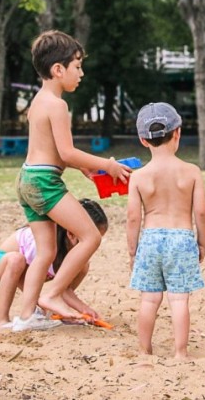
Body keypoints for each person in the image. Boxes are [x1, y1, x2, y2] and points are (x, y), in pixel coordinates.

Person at [13, 30, 132, 331]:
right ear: (58, 69)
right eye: (77, 66)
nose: (81, 73)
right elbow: (67, 151)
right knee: (90, 236)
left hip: (27, 178)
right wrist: (107, 165)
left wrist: (83, 169)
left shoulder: (40, 101)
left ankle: (26, 316)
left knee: (46, 252)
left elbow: (54, 152)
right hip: (45, 182)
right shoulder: (58, 105)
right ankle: (52, 294)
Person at [127, 102, 205, 360]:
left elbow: (132, 218)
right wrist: (202, 242)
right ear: (178, 133)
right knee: (178, 300)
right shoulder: (191, 171)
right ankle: (180, 352)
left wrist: (133, 251)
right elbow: (202, 212)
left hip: (150, 240)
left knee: (149, 300)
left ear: (143, 140)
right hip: (182, 239)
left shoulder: (138, 177)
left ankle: (143, 350)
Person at [0, 199, 108, 330]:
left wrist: (84, 309)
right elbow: (31, 278)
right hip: (6, 266)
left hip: (33, 274)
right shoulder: (47, 242)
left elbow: (64, 290)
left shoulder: (73, 254)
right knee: (16, 260)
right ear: (71, 234)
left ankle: (54, 309)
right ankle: (2, 319)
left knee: (83, 266)